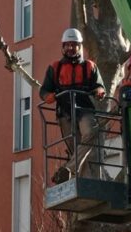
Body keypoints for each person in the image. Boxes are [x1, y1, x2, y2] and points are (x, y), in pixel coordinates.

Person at [40, 28, 106, 182]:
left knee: (90, 132)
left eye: (74, 45)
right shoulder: (55, 68)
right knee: (75, 148)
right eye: (67, 45)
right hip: (65, 112)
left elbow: (99, 85)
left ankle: (68, 169)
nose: (70, 48)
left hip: (85, 109)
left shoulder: (90, 66)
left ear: (79, 46)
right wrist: (47, 96)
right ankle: (83, 180)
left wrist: (100, 91)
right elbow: (44, 89)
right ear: (63, 47)